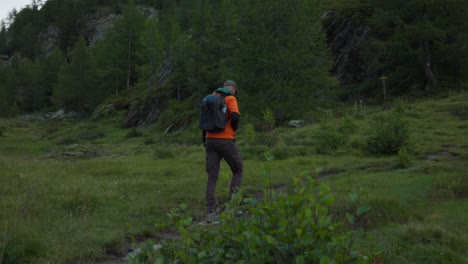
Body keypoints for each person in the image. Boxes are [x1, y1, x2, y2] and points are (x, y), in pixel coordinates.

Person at [202, 80, 243, 222]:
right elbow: (235, 116)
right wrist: (233, 129)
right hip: (225, 140)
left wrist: (205, 141)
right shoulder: (231, 98)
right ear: (232, 89)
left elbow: (204, 121)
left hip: (210, 140)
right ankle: (231, 208)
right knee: (238, 170)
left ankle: (210, 211)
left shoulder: (209, 98)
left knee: (212, 176)